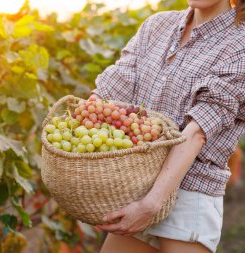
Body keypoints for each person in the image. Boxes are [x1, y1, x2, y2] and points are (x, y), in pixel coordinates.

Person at [89, 0, 245, 252]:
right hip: (137, 188)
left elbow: (197, 133)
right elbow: (108, 95)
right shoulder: (157, 26)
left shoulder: (239, 44)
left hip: (188, 195)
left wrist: (151, 205)